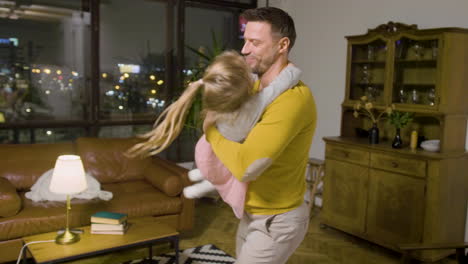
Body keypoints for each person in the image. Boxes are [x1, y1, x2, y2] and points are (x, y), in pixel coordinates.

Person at [126, 50, 301, 219]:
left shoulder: (218, 106)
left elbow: (241, 81)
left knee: (218, 170)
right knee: (231, 174)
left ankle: (201, 177)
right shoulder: (255, 104)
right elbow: (284, 81)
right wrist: (291, 68)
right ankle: (204, 182)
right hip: (223, 158)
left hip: (205, 151)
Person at [203, 7, 317, 264]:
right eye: (245, 41)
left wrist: (210, 130)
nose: (244, 50)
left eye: (255, 42)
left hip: (277, 221)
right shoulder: (255, 89)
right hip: (252, 212)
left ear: (282, 45)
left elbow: (246, 166)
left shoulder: (293, 100)